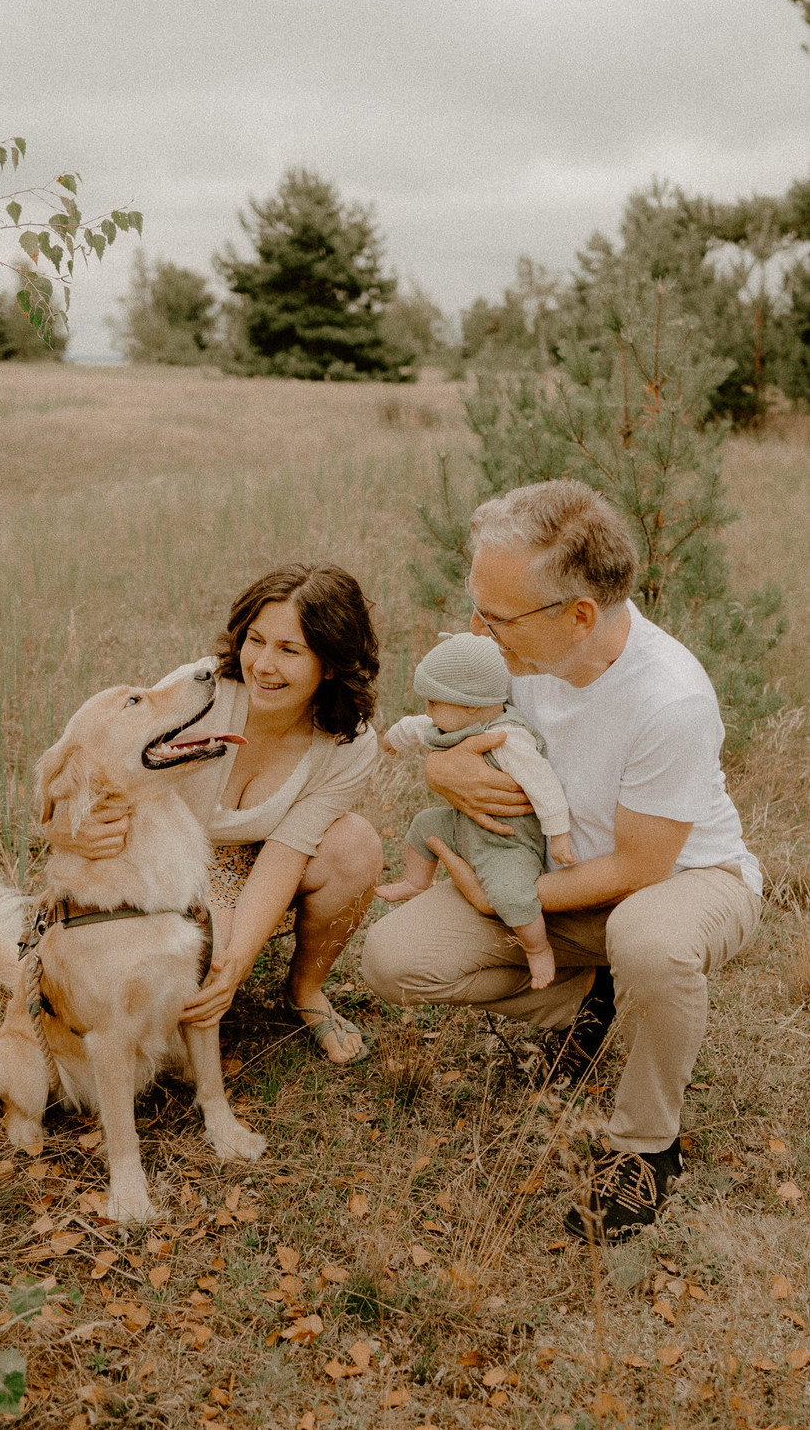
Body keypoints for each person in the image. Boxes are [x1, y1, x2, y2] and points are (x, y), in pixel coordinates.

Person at [362, 480, 762, 1242]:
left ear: (581, 615)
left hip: (686, 881)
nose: (479, 629)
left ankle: (646, 1145)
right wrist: (439, 770)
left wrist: (501, 897)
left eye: (498, 616)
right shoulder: (509, 652)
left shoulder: (670, 697)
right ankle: (592, 1006)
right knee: (393, 959)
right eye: (476, 605)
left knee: (647, 937)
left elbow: (642, 867)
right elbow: (443, 728)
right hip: (558, 882)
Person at [52, 564, 383, 1065]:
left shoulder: (348, 745)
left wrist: (237, 964)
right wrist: (65, 830)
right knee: (203, 957)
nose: (263, 665)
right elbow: (105, 765)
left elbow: (287, 851)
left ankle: (305, 991)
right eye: (256, 640)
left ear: (331, 664)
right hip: (169, 862)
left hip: (260, 861)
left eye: (289, 650)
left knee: (356, 844)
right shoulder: (200, 690)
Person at [375, 632, 576, 989]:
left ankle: (537, 948)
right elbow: (417, 727)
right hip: (465, 825)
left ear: (469, 704)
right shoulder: (451, 723)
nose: (428, 711)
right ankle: (414, 881)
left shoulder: (510, 738)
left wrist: (558, 835)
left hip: (507, 841)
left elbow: (545, 786)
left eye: (434, 703)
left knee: (510, 892)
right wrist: (392, 740)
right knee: (426, 825)